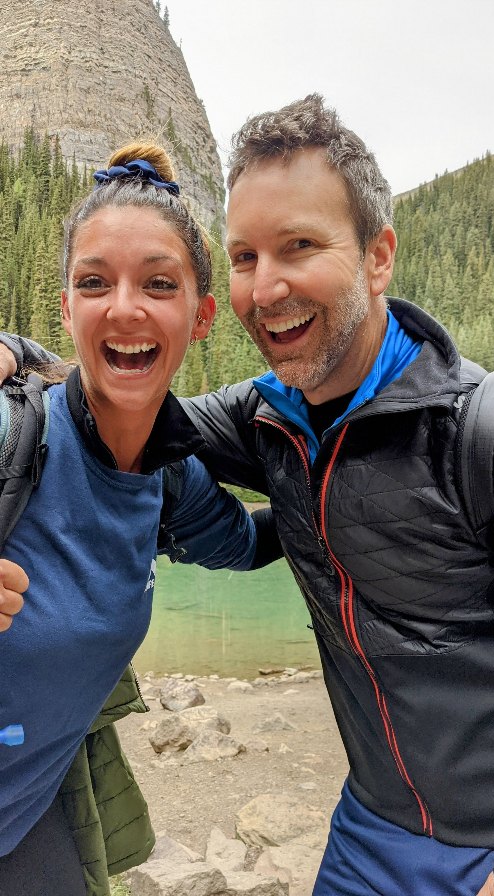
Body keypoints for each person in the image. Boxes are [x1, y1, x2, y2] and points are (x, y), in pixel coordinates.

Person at [3, 95, 494, 896]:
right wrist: (18, 352)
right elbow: (111, 402)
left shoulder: (483, 431)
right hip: (369, 837)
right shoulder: (256, 419)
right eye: (244, 258)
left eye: (298, 246)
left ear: (379, 257)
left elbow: (223, 518)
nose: (267, 288)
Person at [0, 140, 278, 896]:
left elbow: (250, 542)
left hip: (24, 818)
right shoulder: (12, 432)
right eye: (95, 283)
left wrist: (342, 501)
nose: (125, 307)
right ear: (67, 307)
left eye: (158, 283)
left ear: (203, 314)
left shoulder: (170, 477)